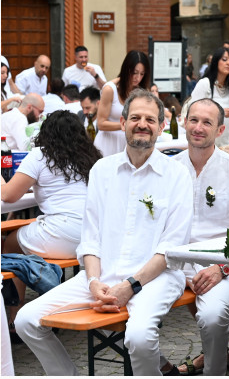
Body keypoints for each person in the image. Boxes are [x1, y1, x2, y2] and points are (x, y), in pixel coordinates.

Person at [14, 89, 193, 376]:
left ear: (161, 127)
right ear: (122, 123)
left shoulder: (177, 175)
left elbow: (170, 249)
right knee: (26, 320)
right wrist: (94, 281)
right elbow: (90, 238)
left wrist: (130, 285)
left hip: (155, 278)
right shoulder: (101, 170)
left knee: (138, 337)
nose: (142, 124)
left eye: (150, 119)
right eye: (135, 117)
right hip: (102, 275)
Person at [160, 98, 229, 376]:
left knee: (213, 316)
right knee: (130, 305)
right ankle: (160, 367)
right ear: (183, 122)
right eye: (194, 120)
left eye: (207, 122)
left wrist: (222, 267)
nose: (199, 128)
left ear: (220, 129)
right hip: (173, 261)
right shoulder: (168, 169)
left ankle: (216, 370)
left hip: (222, 260)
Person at [1, 111, 102, 327]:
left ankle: (15, 314)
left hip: (62, 234)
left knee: (9, 244)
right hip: (92, 238)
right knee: (24, 230)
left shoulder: (40, 155)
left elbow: (8, 195)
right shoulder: (92, 157)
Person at [94, 50, 150, 157]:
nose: (137, 78)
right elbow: (100, 123)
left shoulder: (142, 91)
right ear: (126, 69)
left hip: (129, 143)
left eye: (142, 74)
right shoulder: (110, 89)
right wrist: (126, 125)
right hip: (107, 143)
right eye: (134, 72)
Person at [190, 46, 229, 147]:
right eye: (224, 60)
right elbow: (193, 112)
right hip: (204, 145)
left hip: (224, 144)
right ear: (216, 62)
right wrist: (221, 112)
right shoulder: (205, 84)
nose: (228, 63)